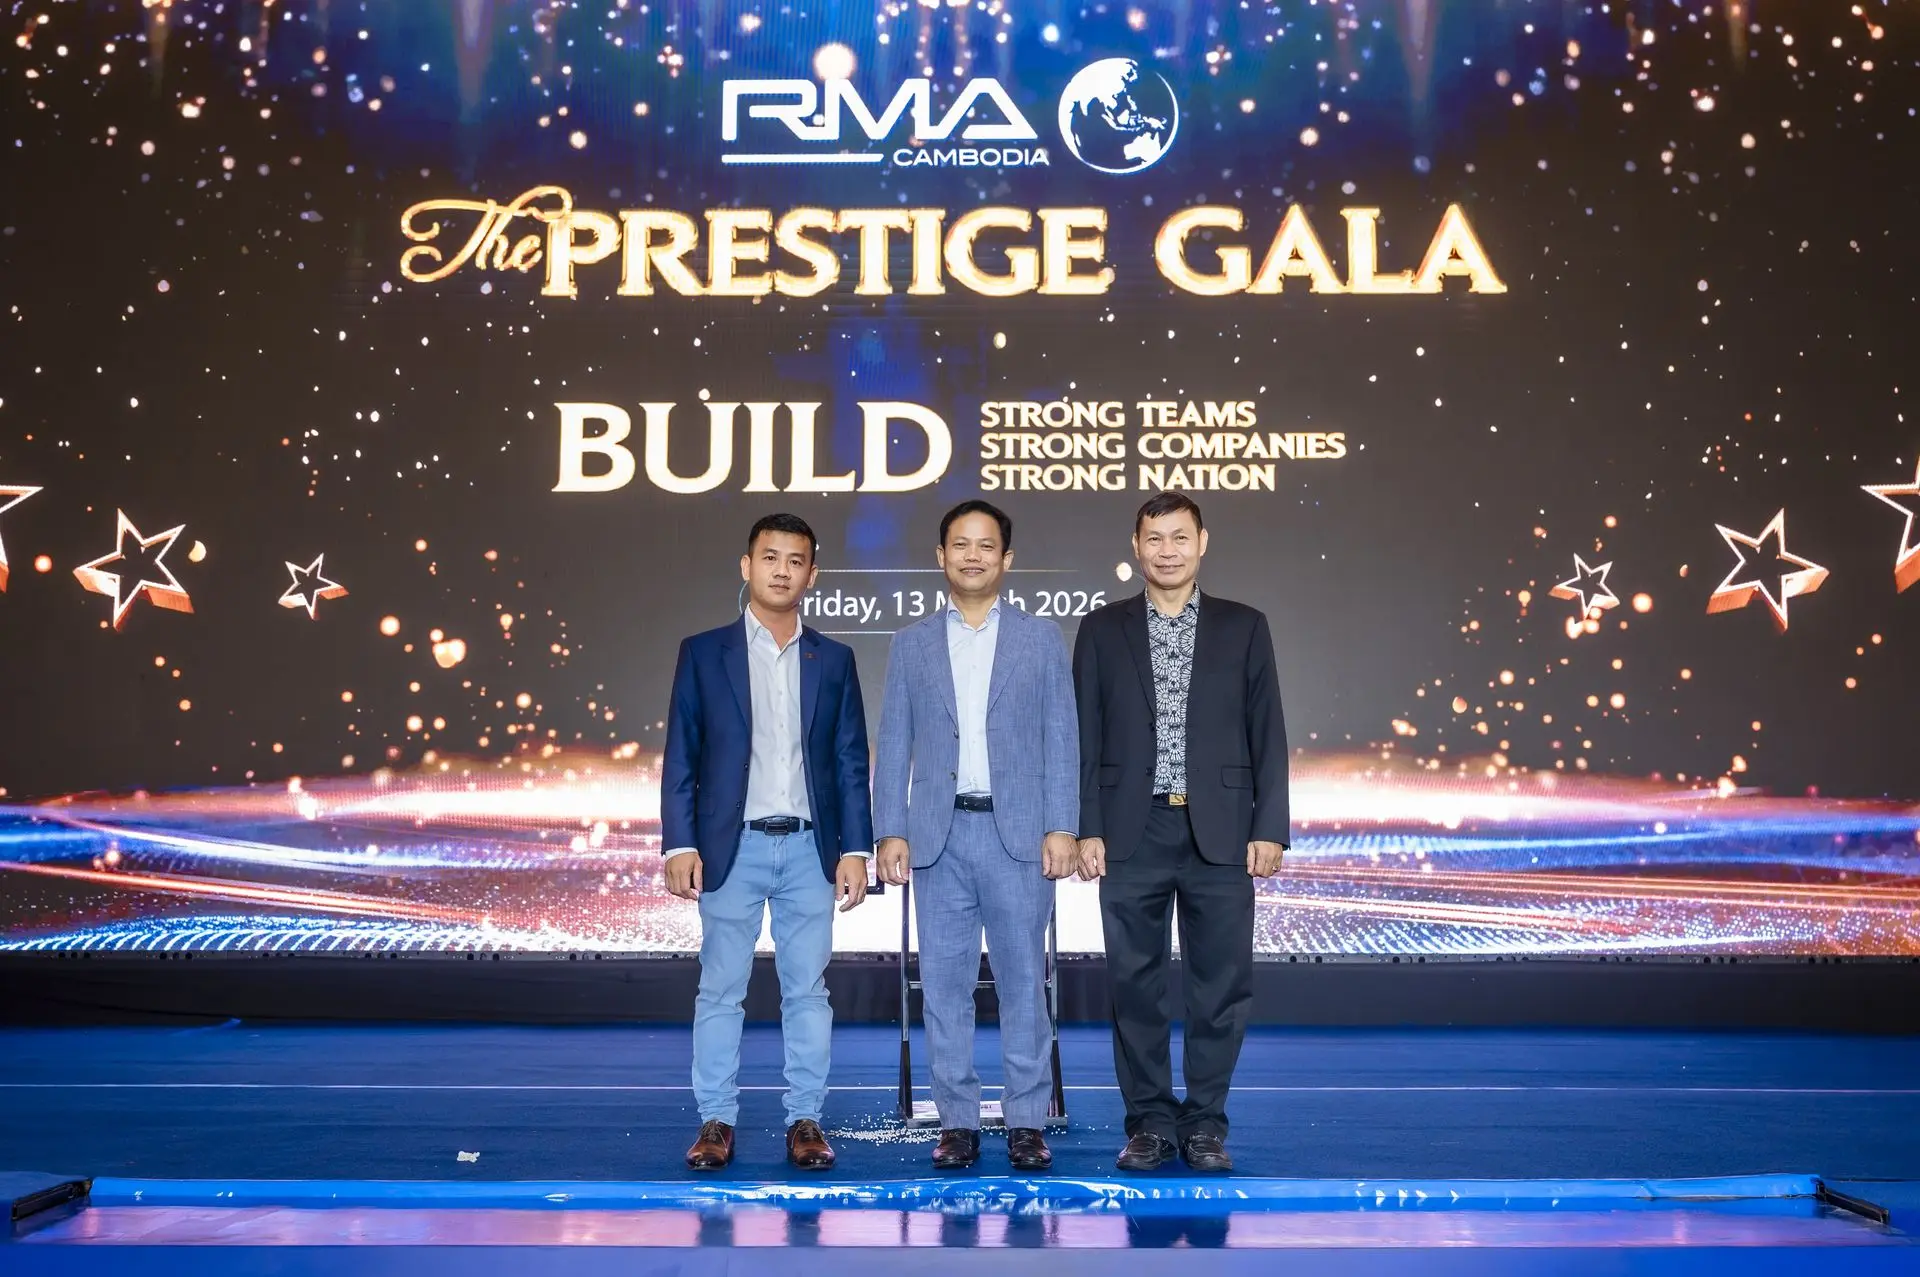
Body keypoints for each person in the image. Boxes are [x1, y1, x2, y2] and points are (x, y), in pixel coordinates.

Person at [1072, 492, 1289, 1173]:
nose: (1167, 550)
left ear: (1202, 543)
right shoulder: (1101, 629)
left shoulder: (1244, 626)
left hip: (1221, 830)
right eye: (1154, 538)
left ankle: (1205, 1126)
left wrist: (1270, 826)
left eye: (1179, 537)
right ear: (1136, 547)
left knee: (1219, 986)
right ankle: (1148, 1123)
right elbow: (1084, 736)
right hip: (1130, 831)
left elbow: (1267, 732)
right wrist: (1086, 826)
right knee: (1134, 986)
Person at [661, 512, 875, 1172]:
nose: (782, 570)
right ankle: (716, 1120)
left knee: (807, 991)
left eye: (795, 560)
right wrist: (679, 843)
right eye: (770, 557)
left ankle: (805, 1120)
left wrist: (856, 848)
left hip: (811, 849)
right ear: (746, 565)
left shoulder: (834, 659)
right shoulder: (704, 653)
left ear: (813, 574)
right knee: (720, 990)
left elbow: (849, 760)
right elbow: (683, 754)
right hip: (731, 849)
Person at [873, 500, 1080, 1172]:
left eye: (985, 545)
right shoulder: (911, 643)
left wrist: (1062, 825)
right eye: (960, 544)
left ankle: (1026, 1120)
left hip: (1018, 835)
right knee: (944, 987)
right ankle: (957, 1121)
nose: (972, 555)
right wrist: (889, 830)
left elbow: (1062, 738)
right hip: (937, 837)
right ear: (941, 556)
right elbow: (894, 743)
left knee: (1023, 985)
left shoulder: (1040, 639)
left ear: (1006, 559)